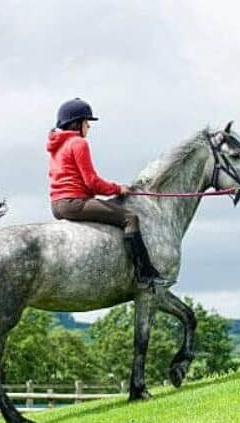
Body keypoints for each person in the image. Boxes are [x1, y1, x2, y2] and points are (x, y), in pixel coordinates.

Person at [47, 98, 175, 289]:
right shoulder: (78, 143)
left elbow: (81, 182)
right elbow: (92, 181)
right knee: (130, 219)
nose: (89, 126)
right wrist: (118, 189)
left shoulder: (57, 146)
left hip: (57, 205)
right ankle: (145, 275)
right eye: (86, 122)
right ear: (76, 123)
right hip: (74, 203)